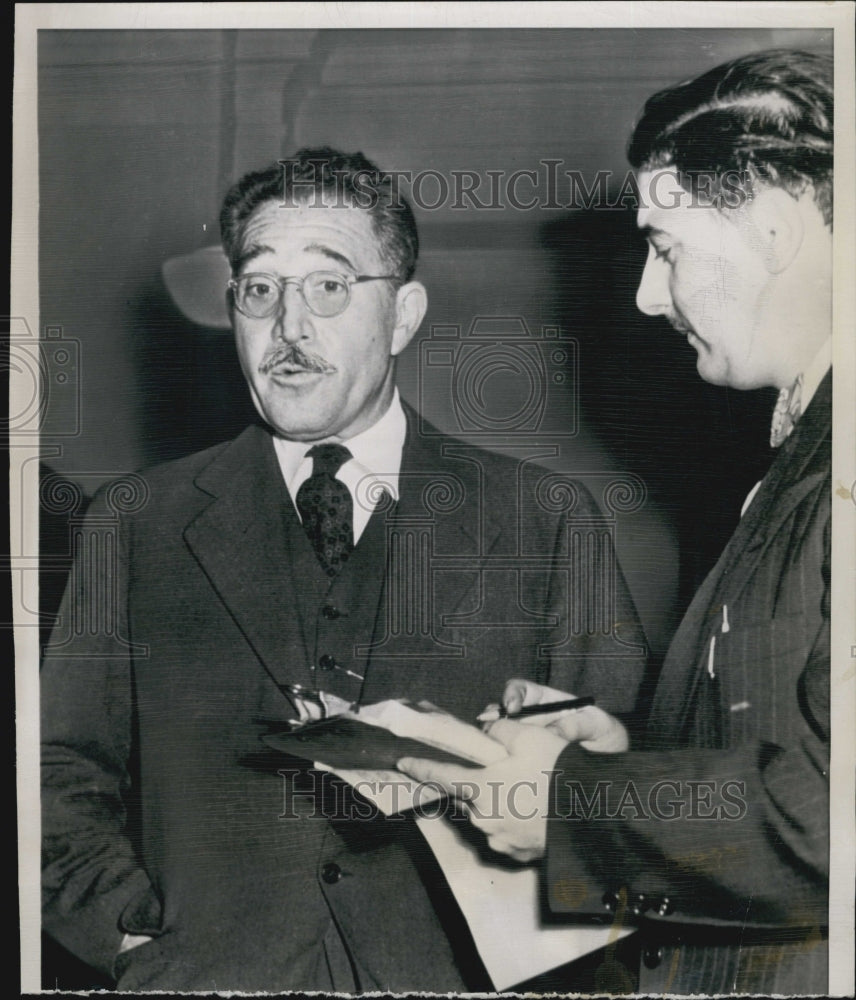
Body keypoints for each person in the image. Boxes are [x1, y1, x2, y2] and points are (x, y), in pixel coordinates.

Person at [40, 147, 646, 992]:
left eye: (329, 287)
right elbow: (55, 772)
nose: (289, 328)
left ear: (402, 316)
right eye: (259, 290)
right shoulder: (133, 525)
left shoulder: (544, 519)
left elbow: (611, 797)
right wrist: (133, 935)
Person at [400, 49, 833, 995]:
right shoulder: (803, 457)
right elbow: (793, 753)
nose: (645, 293)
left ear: (774, 228)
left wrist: (570, 804)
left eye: (666, 246)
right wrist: (630, 756)